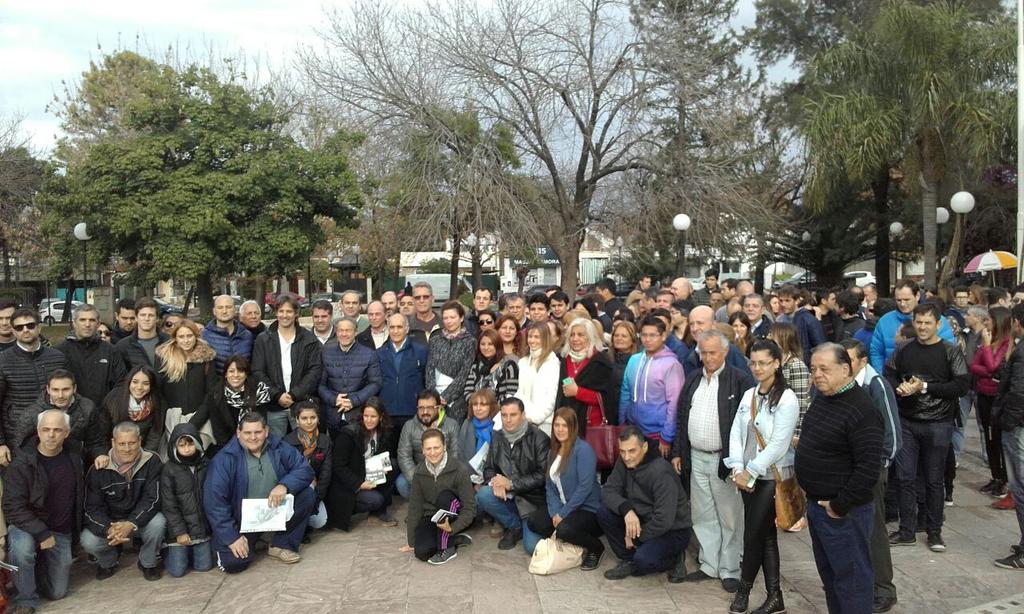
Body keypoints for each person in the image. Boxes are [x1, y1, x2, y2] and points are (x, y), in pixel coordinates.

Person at [796, 343, 882, 613]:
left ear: (845, 369)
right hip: (818, 505)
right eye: (813, 369)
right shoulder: (824, 398)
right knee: (831, 579)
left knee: (852, 582)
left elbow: (868, 467)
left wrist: (839, 505)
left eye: (824, 369)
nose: (817, 374)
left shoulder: (861, 408)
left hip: (844, 512)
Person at [670, 329, 754, 591]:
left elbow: (748, 424)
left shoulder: (739, 380)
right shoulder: (694, 378)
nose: (708, 358)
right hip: (696, 456)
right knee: (703, 514)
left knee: (729, 517)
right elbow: (681, 416)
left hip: (725, 460)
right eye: (703, 353)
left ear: (725, 352)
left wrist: (740, 463)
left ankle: (730, 569)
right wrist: (678, 452)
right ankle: (709, 564)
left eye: (713, 353)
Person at [885, 303, 969, 553]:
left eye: (927, 323)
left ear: (938, 324)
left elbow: (961, 386)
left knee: (934, 480)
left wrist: (924, 387)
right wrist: (899, 387)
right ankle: (907, 530)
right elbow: (889, 374)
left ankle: (934, 532)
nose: (922, 327)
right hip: (907, 421)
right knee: (905, 478)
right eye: (919, 322)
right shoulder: (903, 348)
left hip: (939, 423)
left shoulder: (950, 351)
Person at [723, 340, 798, 613]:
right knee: (765, 536)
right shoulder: (750, 395)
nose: (757, 368)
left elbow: (779, 444)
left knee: (752, 535)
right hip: (746, 476)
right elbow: (736, 432)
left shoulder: (787, 398)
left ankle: (743, 592)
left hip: (770, 478)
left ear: (776, 363)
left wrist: (751, 471)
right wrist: (737, 468)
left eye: (763, 363)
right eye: (753, 363)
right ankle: (775, 596)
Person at [203, 412, 316, 572]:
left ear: (266, 431)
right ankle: (255, 540)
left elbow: (304, 469)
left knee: (307, 494)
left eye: (258, 432)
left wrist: (284, 485)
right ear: (238, 433)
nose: (253, 437)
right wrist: (232, 537)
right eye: (247, 433)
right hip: (242, 523)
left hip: (274, 512)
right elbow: (215, 503)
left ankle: (281, 544)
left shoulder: (279, 446)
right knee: (234, 564)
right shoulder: (224, 460)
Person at [842, 339, 901, 612]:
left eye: (849, 360)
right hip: (848, 472)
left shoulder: (876, 386)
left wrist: (878, 468)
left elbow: (892, 434)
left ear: (863, 361)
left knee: (874, 530)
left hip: (872, 472)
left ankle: (883, 589)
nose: (844, 365)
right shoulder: (844, 385)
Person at [3, 410, 83, 611]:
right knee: (23, 549)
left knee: (57, 592)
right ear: (38, 431)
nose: (51, 435)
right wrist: (42, 533)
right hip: (27, 526)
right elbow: (13, 507)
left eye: (57, 430)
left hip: (60, 530)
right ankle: (25, 600)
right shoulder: (22, 462)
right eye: (46, 429)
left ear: (66, 432)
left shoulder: (75, 456)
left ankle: (31, 571)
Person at [598, 425, 691, 580]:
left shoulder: (661, 472)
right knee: (604, 512)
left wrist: (635, 537)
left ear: (645, 447)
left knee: (643, 561)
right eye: (622, 451)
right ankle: (629, 559)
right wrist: (627, 510)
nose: (626, 457)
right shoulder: (624, 462)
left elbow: (663, 520)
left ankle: (675, 558)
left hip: (673, 530)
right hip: (642, 519)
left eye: (632, 451)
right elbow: (608, 490)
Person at [81, 421, 166, 581]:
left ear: (140, 441)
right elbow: (92, 509)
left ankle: (148, 562)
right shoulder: (98, 468)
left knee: (158, 523)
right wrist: (109, 529)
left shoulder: (152, 460)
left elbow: (153, 499)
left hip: (139, 520)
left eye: (132, 443)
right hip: (112, 524)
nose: (127, 449)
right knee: (88, 541)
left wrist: (131, 523)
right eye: (121, 444)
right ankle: (109, 561)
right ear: (113, 443)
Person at [525, 407, 605, 570]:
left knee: (564, 529)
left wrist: (563, 514)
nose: (560, 429)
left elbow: (584, 487)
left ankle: (595, 547)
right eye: (557, 425)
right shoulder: (553, 451)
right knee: (534, 521)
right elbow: (549, 485)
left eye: (565, 425)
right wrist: (556, 512)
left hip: (587, 509)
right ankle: (572, 539)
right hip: (563, 506)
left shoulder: (583, 450)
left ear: (573, 427)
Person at [476, 397, 550, 553]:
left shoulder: (539, 438)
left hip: (532, 502)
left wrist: (511, 484)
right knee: (483, 495)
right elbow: (488, 468)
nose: (508, 420)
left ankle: (525, 524)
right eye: (504, 415)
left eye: (513, 415)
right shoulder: (498, 436)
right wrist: (495, 482)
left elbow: (543, 475)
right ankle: (514, 526)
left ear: (523, 415)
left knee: (532, 548)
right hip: (508, 497)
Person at [0, 308, 68, 465]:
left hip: (54, 435)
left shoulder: (57, 357)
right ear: (13, 331)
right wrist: (1, 443)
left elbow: (70, 395)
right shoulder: (3, 361)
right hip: (17, 437)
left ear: (39, 327)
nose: (25, 330)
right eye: (19, 327)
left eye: (30, 325)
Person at [251, 295, 323, 437]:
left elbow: (314, 371)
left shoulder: (309, 339)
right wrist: (277, 395)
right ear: (276, 313)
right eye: (281, 311)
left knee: (305, 444)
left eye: (289, 311)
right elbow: (258, 371)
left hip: (301, 404)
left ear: (296, 313)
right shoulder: (263, 339)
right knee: (275, 445)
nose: (285, 315)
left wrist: (294, 394)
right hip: (274, 405)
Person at [403, 428, 477, 564]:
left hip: (453, 513)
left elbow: (469, 508)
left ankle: (447, 547)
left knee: (444, 497)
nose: (432, 452)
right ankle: (454, 539)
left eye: (436, 447)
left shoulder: (459, 469)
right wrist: (411, 541)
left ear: (444, 446)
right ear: (422, 450)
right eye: (428, 448)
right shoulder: (419, 472)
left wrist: (452, 528)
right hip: (432, 516)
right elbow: (415, 507)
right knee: (422, 552)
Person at [326, 398, 399, 530]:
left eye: (373, 416)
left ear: (381, 417)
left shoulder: (384, 432)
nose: (369, 420)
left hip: (368, 472)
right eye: (366, 416)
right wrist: (359, 484)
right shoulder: (348, 433)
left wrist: (384, 469)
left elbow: (385, 455)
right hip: (349, 482)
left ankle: (378, 513)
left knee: (392, 465)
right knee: (375, 500)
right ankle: (347, 511)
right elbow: (338, 467)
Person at [620, 315, 685, 454]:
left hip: (657, 435)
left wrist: (666, 437)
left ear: (663, 336)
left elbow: (674, 404)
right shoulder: (634, 360)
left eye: (652, 335)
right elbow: (625, 393)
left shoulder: (672, 365)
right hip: (633, 431)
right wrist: (622, 423)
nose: (647, 339)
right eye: (644, 335)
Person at [14, 370, 106, 462]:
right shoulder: (32, 414)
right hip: (41, 463)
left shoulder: (87, 408)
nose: (60, 395)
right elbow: (20, 446)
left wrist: (99, 455)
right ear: (48, 389)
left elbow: (95, 442)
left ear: (74, 389)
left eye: (66, 389)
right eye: (55, 390)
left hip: (76, 461)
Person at [190, 354, 272, 454]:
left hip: (255, 442)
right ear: (225, 374)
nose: (236, 375)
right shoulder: (216, 394)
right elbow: (209, 422)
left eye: (240, 371)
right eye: (231, 371)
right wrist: (184, 433)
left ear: (246, 374)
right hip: (227, 446)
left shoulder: (259, 391)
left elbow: (261, 423)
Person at [161, 423, 214, 577]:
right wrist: (180, 532)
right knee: (177, 571)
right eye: (181, 445)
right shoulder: (169, 469)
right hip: (180, 530)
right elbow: (169, 505)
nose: (187, 449)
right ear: (174, 447)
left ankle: (191, 552)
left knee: (204, 566)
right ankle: (167, 552)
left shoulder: (206, 464)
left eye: (190, 443)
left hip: (201, 530)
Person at [970, 305, 1013, 498]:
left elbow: (994, 366)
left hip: (997, 397)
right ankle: (995, 476)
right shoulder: (986, 341)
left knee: (997, 438)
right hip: (983, 394)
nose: (985, 323)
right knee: (988, 438)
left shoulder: (1006, 343)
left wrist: (987, 347)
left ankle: (1004, 479)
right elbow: (974, 366)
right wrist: (988, 370)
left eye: (988, 320)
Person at [994, 302, 1024, 569]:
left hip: (1018, 427)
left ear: (1016, 322)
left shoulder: (1022, 351)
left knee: (1021, 487)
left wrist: (1007, 421)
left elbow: (1018, 392)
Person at [870, 278, 955, 372]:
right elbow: (876, 352)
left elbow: (949, 351)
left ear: (917, 296)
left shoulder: (937, 320)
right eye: (898, 300)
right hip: (892, 377)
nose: (902, 304)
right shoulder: (884, 321)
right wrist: (881, 376)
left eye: (907, 299)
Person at [318, 318, 382, 436]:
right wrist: (334, 399)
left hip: (358, 414)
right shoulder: (326, 354)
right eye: (340, 330)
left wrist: (353, 400)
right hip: (333, 415)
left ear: (355, 332)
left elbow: (375, 383)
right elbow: (320, 384)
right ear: (336, 332)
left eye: (348, 330)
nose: (344, 334)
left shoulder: (369, 354)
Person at [55, 303, 126, 407]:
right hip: (71, 412)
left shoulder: (111, 351)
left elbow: (121, 383)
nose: (87, 324)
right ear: (74, 323)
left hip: (104, 411)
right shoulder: (60, 351)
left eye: (92, 320)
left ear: (98, 324)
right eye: (82, 320)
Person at [554, 318, 616, 434]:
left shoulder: (600, 361)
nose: (575, 339)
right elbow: (562, 394)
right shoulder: (565, 360)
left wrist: (578, 392)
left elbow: (607, 399)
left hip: (591, 426)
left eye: (580, 335)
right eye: (572, 335)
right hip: (568, 423)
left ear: (590, 337)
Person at [396, 390, 460, 498]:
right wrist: (419, 480)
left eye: (429, 408)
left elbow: (456, 455)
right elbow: (404, 456)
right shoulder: (409, 426)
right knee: (402, 483)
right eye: (421, 408)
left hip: (445, 472)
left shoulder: (451, 425)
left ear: (438, 407)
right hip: (419, 471)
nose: (425, 411)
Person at [283, 401, 332, 531]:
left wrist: (316, 498)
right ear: (297, 420)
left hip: (315, 489)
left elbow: (326, 473)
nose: (309, 422)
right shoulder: (287, 442)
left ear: (318, 419)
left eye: (312, 417)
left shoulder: (325, 441)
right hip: (295, 490)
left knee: (319, 521)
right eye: (304, 418)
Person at [158, 319, 218, 425]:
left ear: (196, 336)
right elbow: (159, 391)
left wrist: (196, 420)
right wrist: (169, 416)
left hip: (201, 418)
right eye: (181, 337)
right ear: (175, 338)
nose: (186, 340)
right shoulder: (164, 358)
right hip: (171, 418)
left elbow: (211, 393)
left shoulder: (207, 359)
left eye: (189, 336)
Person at [424, 301, 476, 422]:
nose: (449, 321)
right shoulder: (435, 340)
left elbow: (465, 373)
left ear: (461, 318)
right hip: (435, 399)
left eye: (452, 317)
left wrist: (447, 396)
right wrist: (434, 396)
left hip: (457, 400)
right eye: (445, 318)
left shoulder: (470, 342)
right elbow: (429, 368)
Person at [378, 313, 428, 436]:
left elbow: (426, 379)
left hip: (412, 410)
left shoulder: (421, 351)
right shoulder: (379, 353)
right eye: (392, 327)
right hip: (387, 411)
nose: (395, 331)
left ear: (407, 328)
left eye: (399, 327)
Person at [97, 365, 164, 452]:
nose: (139, 387)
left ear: (151, 386)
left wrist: (144, 457)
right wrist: (106, 454)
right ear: (129, 382)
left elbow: (154, 437)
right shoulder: (114, 398)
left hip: (141, 453)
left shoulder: (157, 403)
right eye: (135, 382)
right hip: (112, 452)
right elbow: (102, 432)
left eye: (145, 383)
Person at [517, 323, 561, 435]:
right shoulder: (523, 362)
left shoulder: (552, 362)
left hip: (543, 423)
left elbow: (551, 397)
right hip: (522, 420)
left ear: (545, 338)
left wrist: (534, 418)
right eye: (530, 336)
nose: (532, 340)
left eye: (537, 337)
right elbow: (519, 392)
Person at [685, 306, 751, 377]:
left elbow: (746, 380)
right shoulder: (690, 356)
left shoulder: (730, 352)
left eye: (700, 323)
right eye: (691, 324)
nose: (694, 328)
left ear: (713, 325)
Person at [463, 328, 519, 404]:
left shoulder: (509, 366)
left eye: (490, 344)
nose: (486, 348)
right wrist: (478, 404)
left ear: (497, 345)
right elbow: (468, 391)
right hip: (477, 408)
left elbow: (511, 394)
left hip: (500, 409)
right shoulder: (475, 366)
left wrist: (491, 406)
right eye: (483, 344)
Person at [774, 285, 825, 365]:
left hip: (804, 364)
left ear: (797, 301)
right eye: (781, 301)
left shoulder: (808, 319)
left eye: (787, 300)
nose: (783, 304)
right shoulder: (779, 319)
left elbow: (820, 345)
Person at [202, 295, 254, 372]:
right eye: (220, 308)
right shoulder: (204, 336)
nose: (224, 311)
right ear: (214, 311)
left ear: (235, 309)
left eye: (228, 307)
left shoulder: (247, 336)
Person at [115, 297, 167, 372]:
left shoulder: (169, 342)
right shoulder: (123, 346)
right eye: (142, 315)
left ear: (157, 318)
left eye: (151, 315)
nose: (146, 319)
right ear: (136, 318)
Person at [458, 389, 499, 482]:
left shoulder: (498, 426)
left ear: (491, 407)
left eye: (483, 404)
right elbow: (460, 454)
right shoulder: (467, 424)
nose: (478, 408)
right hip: (468, 478)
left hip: (493, 480)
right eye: (475, 404)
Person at [606, 320, 637, 427]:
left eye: (624, 336)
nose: (619, 338)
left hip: (629, 416)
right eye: (616, 335)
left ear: (632, 340)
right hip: (609, 413)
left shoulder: (638, 361)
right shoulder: (605, 359)